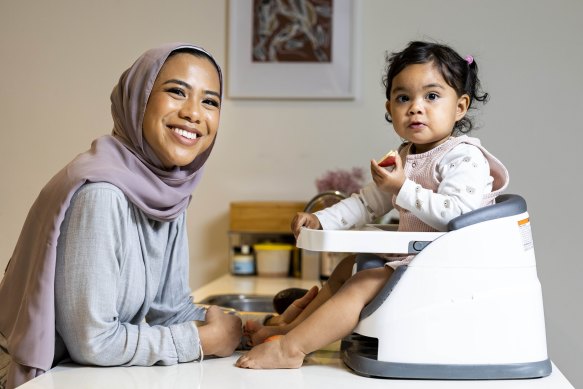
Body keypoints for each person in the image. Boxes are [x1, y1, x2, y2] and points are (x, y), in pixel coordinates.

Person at [236, 40, 509, 369]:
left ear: (460, 107)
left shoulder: (464, 157)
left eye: (432, 96)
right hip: (417, 258)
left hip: (450, 267)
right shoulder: (405, 156)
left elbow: (457, 215)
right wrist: (321, 220)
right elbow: (366, 203)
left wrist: (402, 188)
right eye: (403, 97)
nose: (415, 107)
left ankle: (291, 350)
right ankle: (290, 330)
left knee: (362, 283)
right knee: (346, 266)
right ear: (389, 107)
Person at [0, 43, 243, 389]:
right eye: (177, 92)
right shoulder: (101, 193)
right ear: (139, 98)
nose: (193, 113)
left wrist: (250, 330)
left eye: (210, 101)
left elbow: (169, 311)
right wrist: (200, 341)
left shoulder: (165, 191)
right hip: (33, 377)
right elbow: (93, 342)